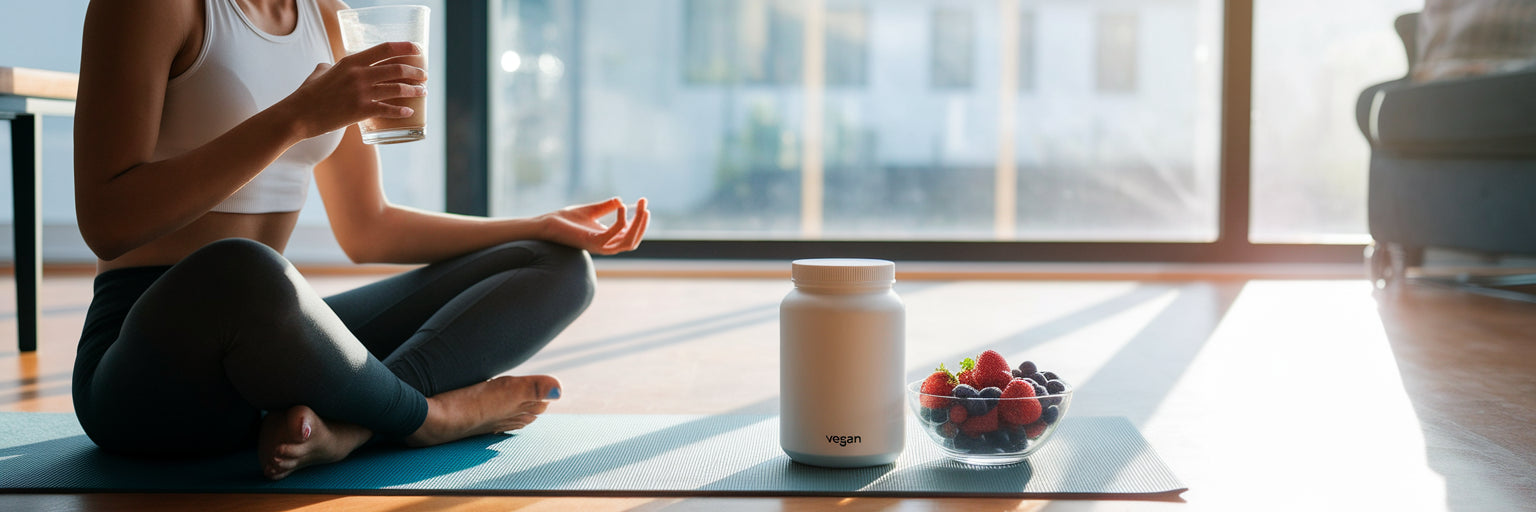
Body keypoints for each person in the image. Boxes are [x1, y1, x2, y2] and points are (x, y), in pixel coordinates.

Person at [70, 0, 649, 480]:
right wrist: (297, 117)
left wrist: (538, 225)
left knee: (557, 265)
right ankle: (428, 417)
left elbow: (367, 226)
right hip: (150, 370)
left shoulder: (327, 19)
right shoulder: (153, 7)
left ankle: (353, 427)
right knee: (245, 269)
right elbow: (107, 223)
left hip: (272, 356)